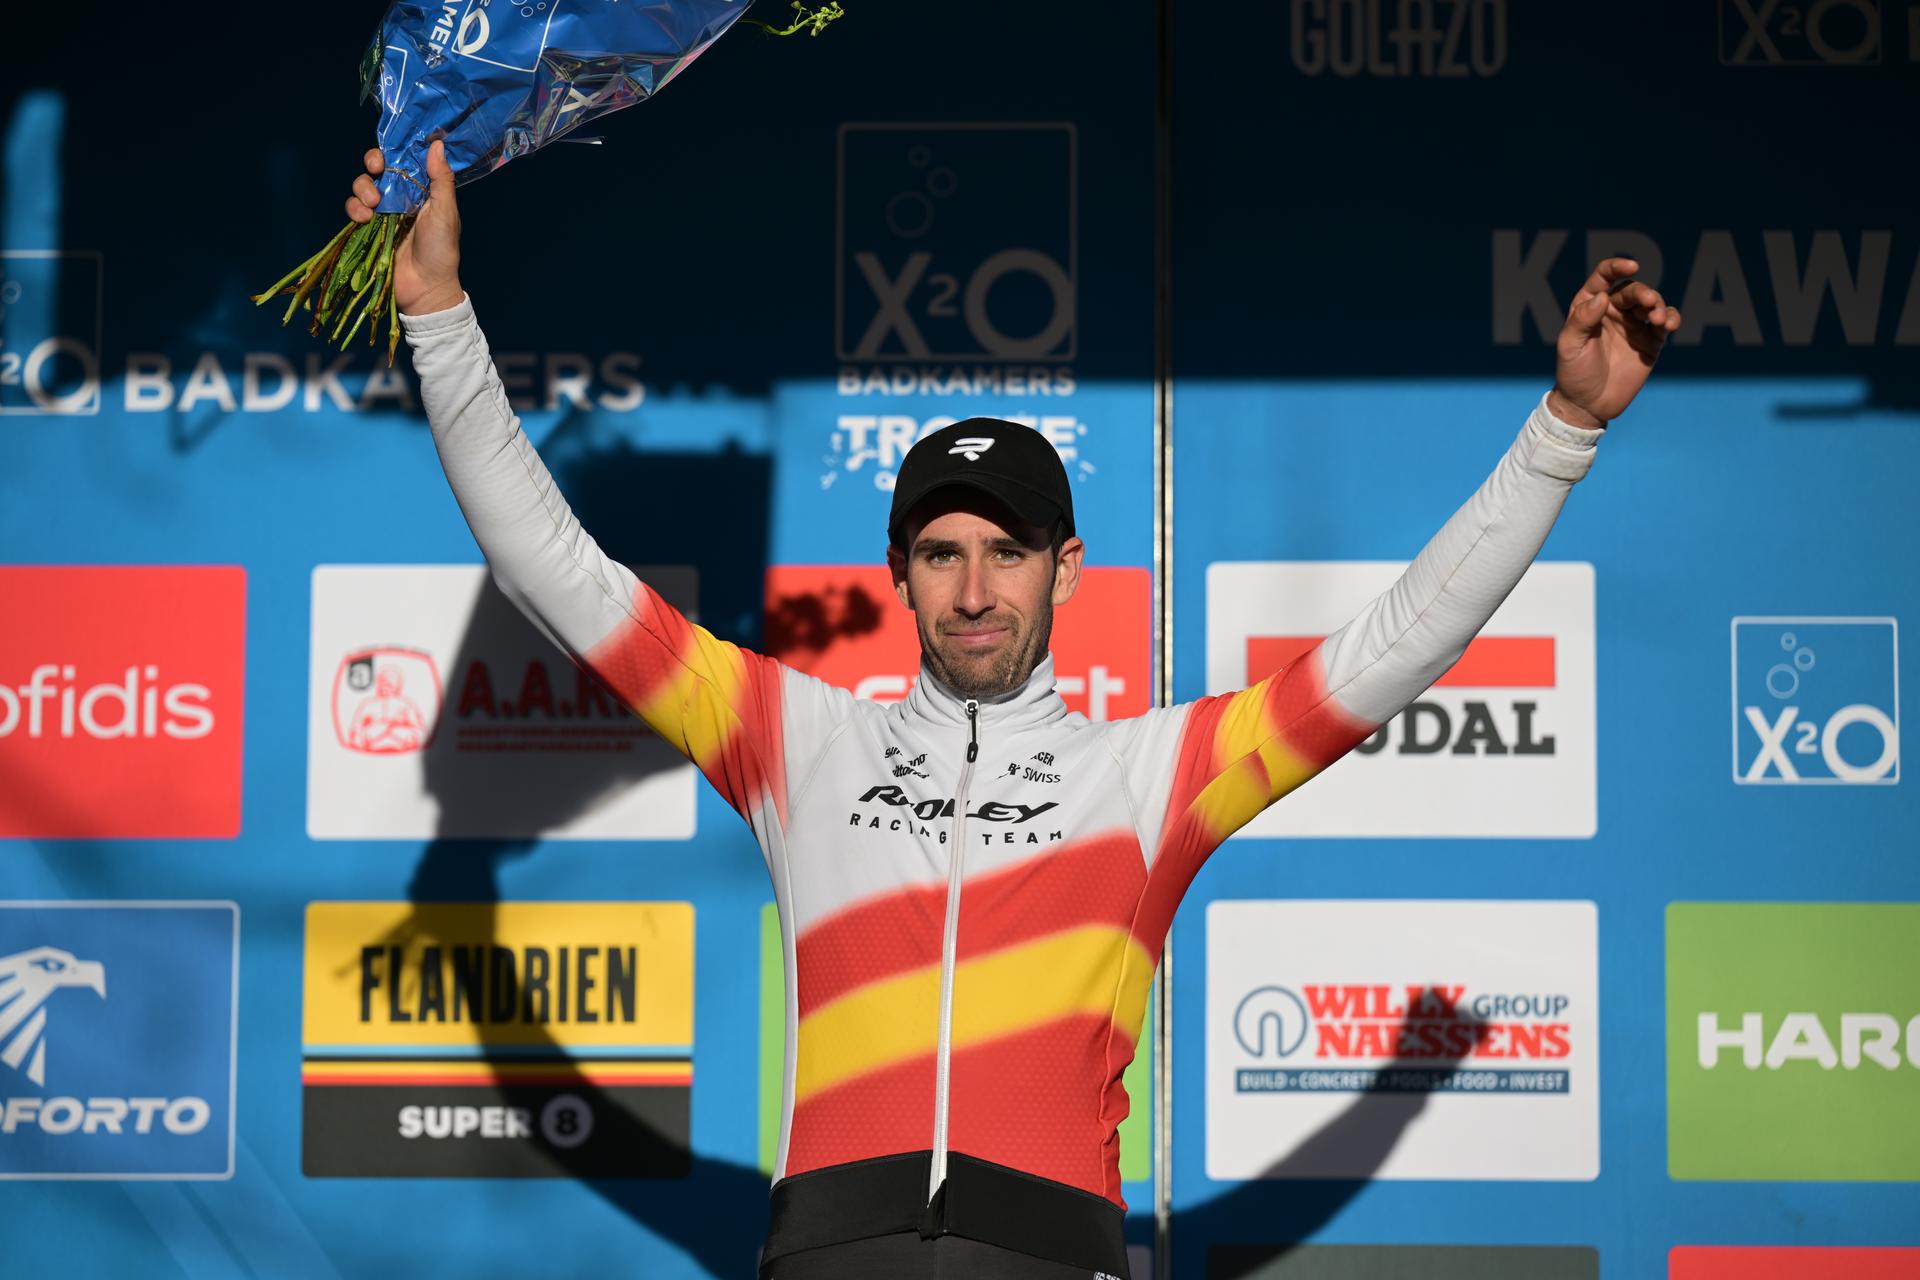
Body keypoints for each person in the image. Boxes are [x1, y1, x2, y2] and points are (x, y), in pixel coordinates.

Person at [348, 140, 1681, 1280]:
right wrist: (440, 314)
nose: (975, 588)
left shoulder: (1153, 775)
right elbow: (557, 573)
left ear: (1066, 569)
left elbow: (1395, 646)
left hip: (1054, 1248)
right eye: (942, 552)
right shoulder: (796, 741)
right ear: (901, 575)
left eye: (1008, 551)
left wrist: (1564, 425)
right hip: (828, 1247)